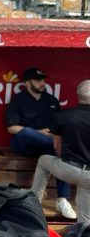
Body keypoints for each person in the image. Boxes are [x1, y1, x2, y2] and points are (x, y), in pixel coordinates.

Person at [6, 67, 76, 219]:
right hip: (24, 144)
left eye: (43, 80)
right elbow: (12, 128)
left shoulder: (52, 101)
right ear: (27, 83)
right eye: (38, 80)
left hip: (47, 146)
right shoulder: (18, 99)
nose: (42, 83)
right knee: (27, 132)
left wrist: (50, 134)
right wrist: (39, 132)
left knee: (59, 155)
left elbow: (57, 129)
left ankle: (62, 199)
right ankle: (61, 147)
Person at [30, 80, 90, 223]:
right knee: (86, 218)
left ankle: (33, 204)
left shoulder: (63, 116)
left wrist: (62, 158)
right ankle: (84, 233)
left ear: (78, 95)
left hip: (68, 169)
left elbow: (57, 144)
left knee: (43, 160)